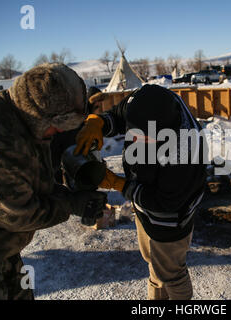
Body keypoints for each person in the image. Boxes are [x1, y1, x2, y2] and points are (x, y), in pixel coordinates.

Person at [0, 63, 107, 300]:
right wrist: (71, 205)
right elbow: (16, 213)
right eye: (56, 128)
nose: (56, 134)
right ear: (42, 118)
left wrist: (70, 195)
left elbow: (33, 184)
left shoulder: (21, 114)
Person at [75, 84, 207, 300]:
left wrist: (120, 185)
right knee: (153, 263)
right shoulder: (142, 99)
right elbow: (119, 114)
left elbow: (164, 203)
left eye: (147, 137)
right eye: (134, 133)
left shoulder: (186, 153)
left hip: (171, 221)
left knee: (172, 273)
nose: (137, 141)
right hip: (145, 206)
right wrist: (99, 122)